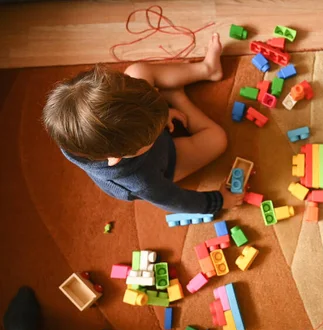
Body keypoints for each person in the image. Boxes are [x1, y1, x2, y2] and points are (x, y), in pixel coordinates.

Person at [41, 33, 243, 214]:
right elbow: (177, 202)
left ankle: (207, 70)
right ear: (116, 158)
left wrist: (159, 113)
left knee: (137, 69)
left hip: (133, 133)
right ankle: (178, 98)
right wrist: (220, 200)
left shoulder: (73, 132)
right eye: (152, 135)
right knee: (217, 139)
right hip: (165, 163)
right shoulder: (142, 182)